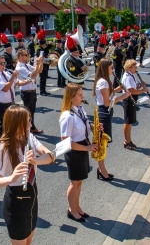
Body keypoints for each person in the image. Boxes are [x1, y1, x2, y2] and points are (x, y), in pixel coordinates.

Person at [0, 105, 55, 245]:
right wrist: (11, 178)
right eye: (27, 121)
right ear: (17, 124)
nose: (30, 124)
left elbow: (50, 156)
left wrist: (36, 160)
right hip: (16, 200)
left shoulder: (28, 137)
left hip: (32, 194)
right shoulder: (2, 147)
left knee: (29, 239)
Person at [59, 83, 99, 222]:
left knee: (79, 182)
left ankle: (77, 207)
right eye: (80, 95)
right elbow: (66, 142)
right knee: (74, 183)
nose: (83, 97)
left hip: (82, 147)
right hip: (74, 151)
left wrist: (94, 127)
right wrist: (87, 148)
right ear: (71, 97)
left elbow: (84, 125)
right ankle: (72, 210)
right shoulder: (67, 116)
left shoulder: (80, 109)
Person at [92, 59, 130, 180]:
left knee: (104, 143)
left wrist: (118, 89)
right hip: (104, 112)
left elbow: (109, 94)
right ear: (105, 68)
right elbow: (107, 102)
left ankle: (102, 169)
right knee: (102, 143)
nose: (113, 70)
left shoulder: (105, 81)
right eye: (111, 67)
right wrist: (122, 96)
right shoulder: (103, 82)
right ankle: (102, 170)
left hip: (106, 112)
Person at [0, 55, 32, 137]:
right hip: (2, 104)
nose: (4, 65)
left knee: (12, 126)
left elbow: (18, 82)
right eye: (1, 63)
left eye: (5, 63)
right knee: (4, 127)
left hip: (11, 103)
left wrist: (29, 80)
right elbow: (5, 88)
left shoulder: (6, 73)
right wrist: (13, 76)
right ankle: (1, 146)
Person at [121, 59, 149, 150]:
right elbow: (131, 90)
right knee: (127, 122)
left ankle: (129, 140)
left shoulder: (131, 75)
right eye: (134, 67)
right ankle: (127, 141)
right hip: (128, 100)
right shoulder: (128, 76)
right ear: (129, 68)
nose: (136, 68)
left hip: (132, 100)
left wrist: (141, 85)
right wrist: (143, 91)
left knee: (130, 122)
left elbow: (134, 87)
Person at [15, 48, 44, 134]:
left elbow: (39, 70)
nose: (27, 56)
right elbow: (33, 76)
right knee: (28, 112)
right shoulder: (20, 67)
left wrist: (40, 62)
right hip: (26, 92)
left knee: (32, 111)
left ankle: (31, 127)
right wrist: (38, 63)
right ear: (21, 56)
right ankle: (27, 129)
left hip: (32, 91)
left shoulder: (26, 65)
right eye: (26, 55)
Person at [36, 29, 53, 96]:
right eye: (44, 44)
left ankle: (44, 90)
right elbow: (41, 57)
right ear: (42, 44)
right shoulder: (39, 49)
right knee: (42, 79)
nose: (45, 45)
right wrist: (47, 58)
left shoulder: (43, 48)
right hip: (41, 66)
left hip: (45, 65)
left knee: (44, 79)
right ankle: (42, 91)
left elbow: (47, 50)